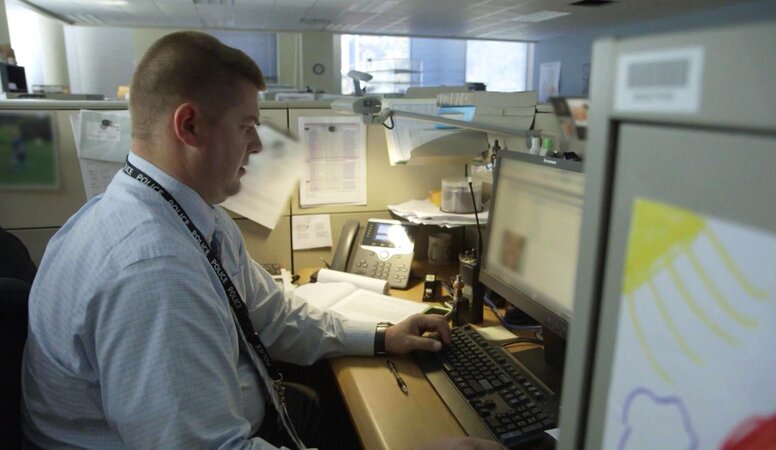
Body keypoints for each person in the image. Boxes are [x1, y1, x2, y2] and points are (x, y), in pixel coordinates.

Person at [21, 31, 504, 450]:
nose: (256, 145)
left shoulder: (184, 214)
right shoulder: (154, 272)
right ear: (189, 126)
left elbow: (273, 317)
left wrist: (381, 336)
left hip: (247, 411)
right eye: (247, 127)